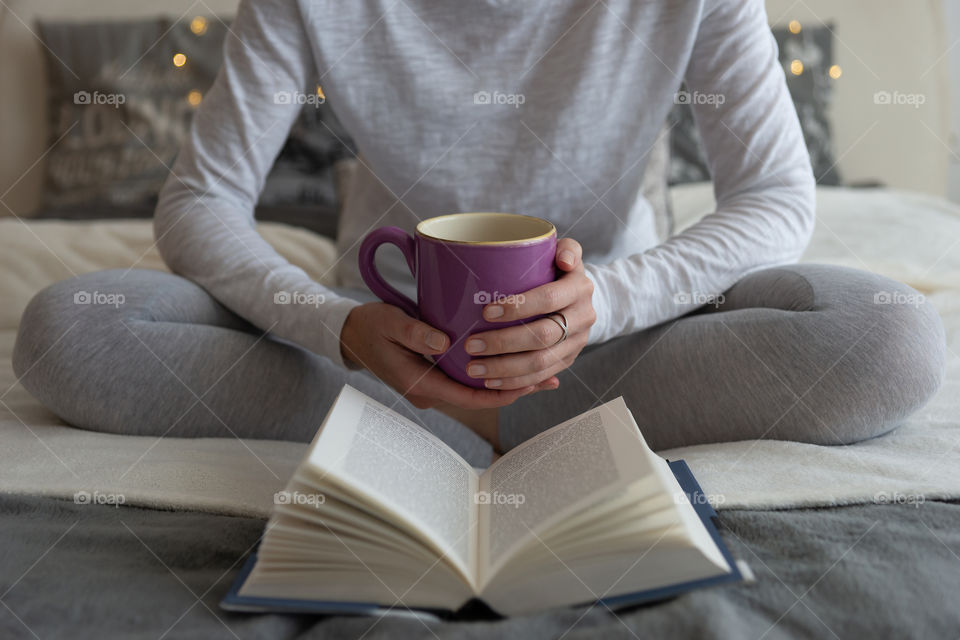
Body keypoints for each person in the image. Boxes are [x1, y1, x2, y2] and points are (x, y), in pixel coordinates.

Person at [13, 0, 945, 467]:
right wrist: (336, 326)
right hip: (372, 342)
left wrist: (614, 297)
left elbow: (778, 196)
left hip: (605, 339)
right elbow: (199, 202)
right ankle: (474, 415)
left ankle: (443, 428)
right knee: (70, 327)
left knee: (887, 334)